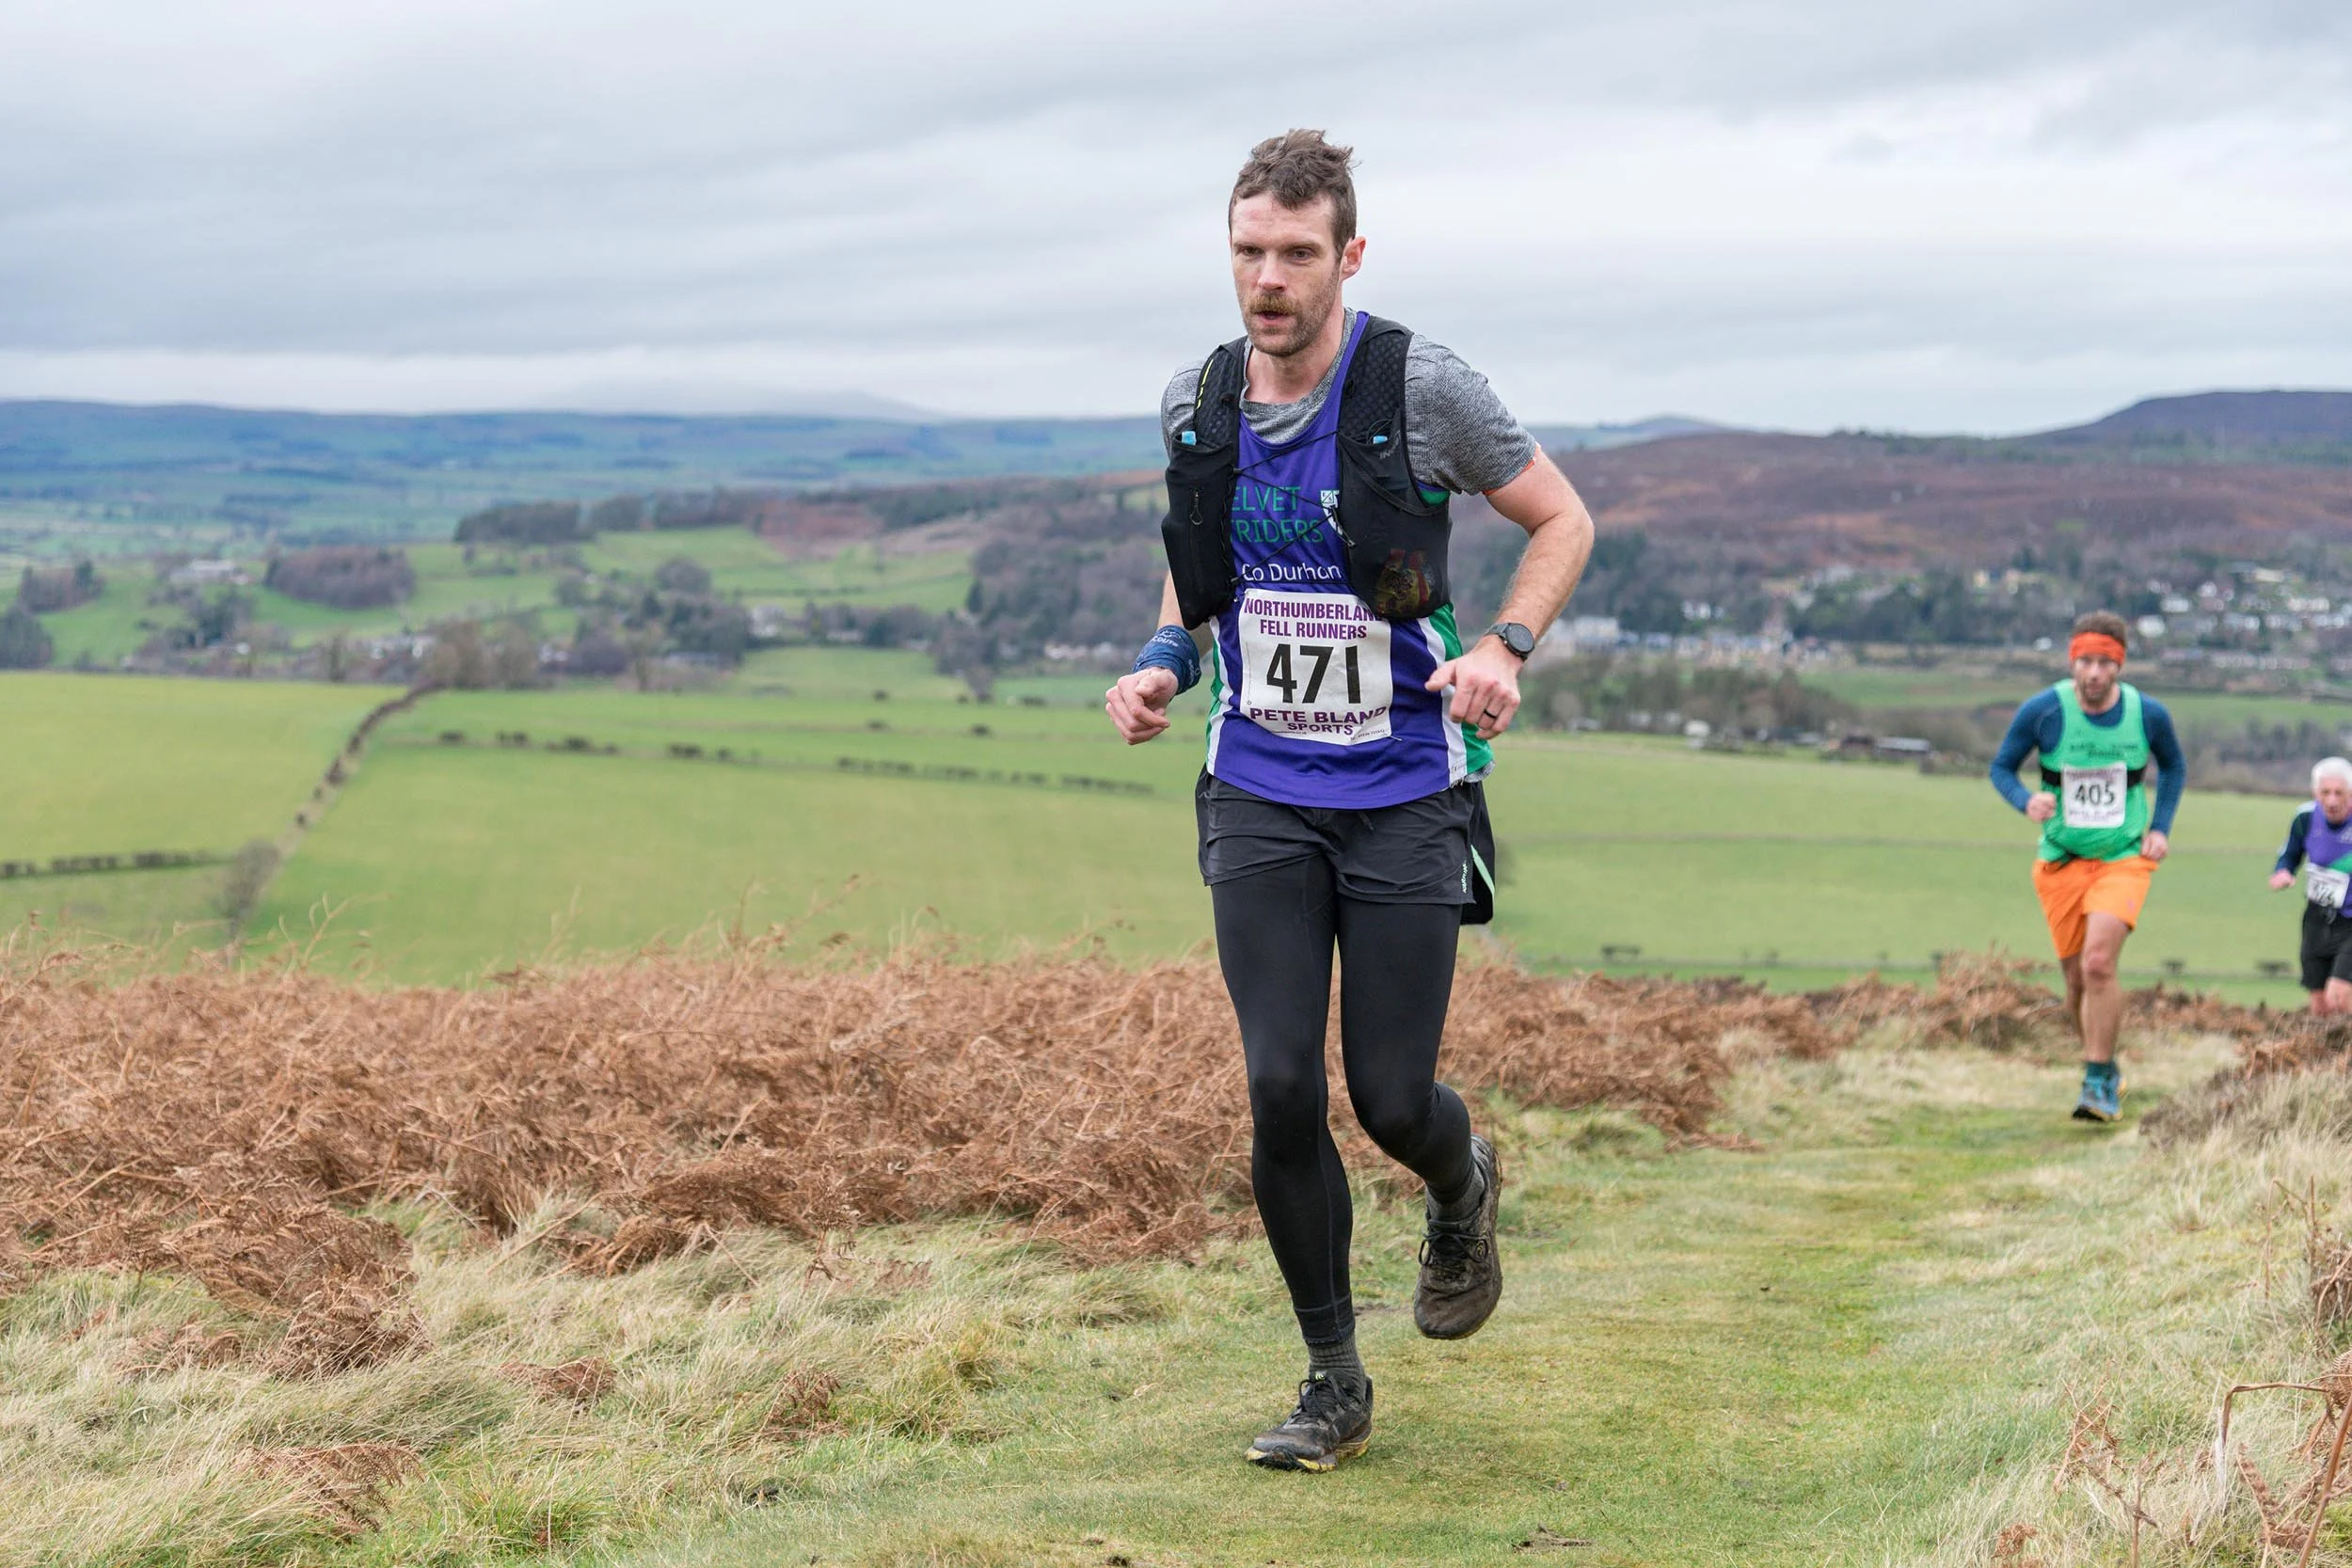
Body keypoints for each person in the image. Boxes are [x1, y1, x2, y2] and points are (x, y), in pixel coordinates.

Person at [1104, 130, 1593, 1472]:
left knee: (1385, 1095)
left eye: (1297, 254)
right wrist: (1161, 663)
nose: (1269, 279)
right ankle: (1332, 1374)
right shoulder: (1195, 403)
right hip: (1256, 783)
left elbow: (1562, 518)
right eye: (1249, 251)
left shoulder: (1418, 385)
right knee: (1275, 1083)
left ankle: (1460, 1176)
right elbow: (1200, 582)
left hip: (1401, 794)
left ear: (1348, 255)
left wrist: (1504, 646)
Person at [1987, 611, 2185, 1122]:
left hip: (2123, 859)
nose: (2093, 672)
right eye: (2085, 661)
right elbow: (2001, 767)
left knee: (2100, 963)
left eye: (2104, 662)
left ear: (2119, 666)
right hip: (2061, 862)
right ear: (2071, 660)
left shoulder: (2148, 715)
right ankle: (2104, 1064)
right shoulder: (2044, 711)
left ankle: (2096, 1083)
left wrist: (2160, 826)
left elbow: (2175, 766)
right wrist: (2025, 802)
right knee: (2076, 982)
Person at [2268, 757, 2352, 1014]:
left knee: (2339, 994)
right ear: (2316, 793)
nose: (2332, 801)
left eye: (2339, 793)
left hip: (2350, 920)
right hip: (2317, 918)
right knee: (2320, 1005)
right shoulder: (2305, 818)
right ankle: (2325, 1054)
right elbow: (2290, 854)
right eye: (2325, 793)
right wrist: (2283, 871)